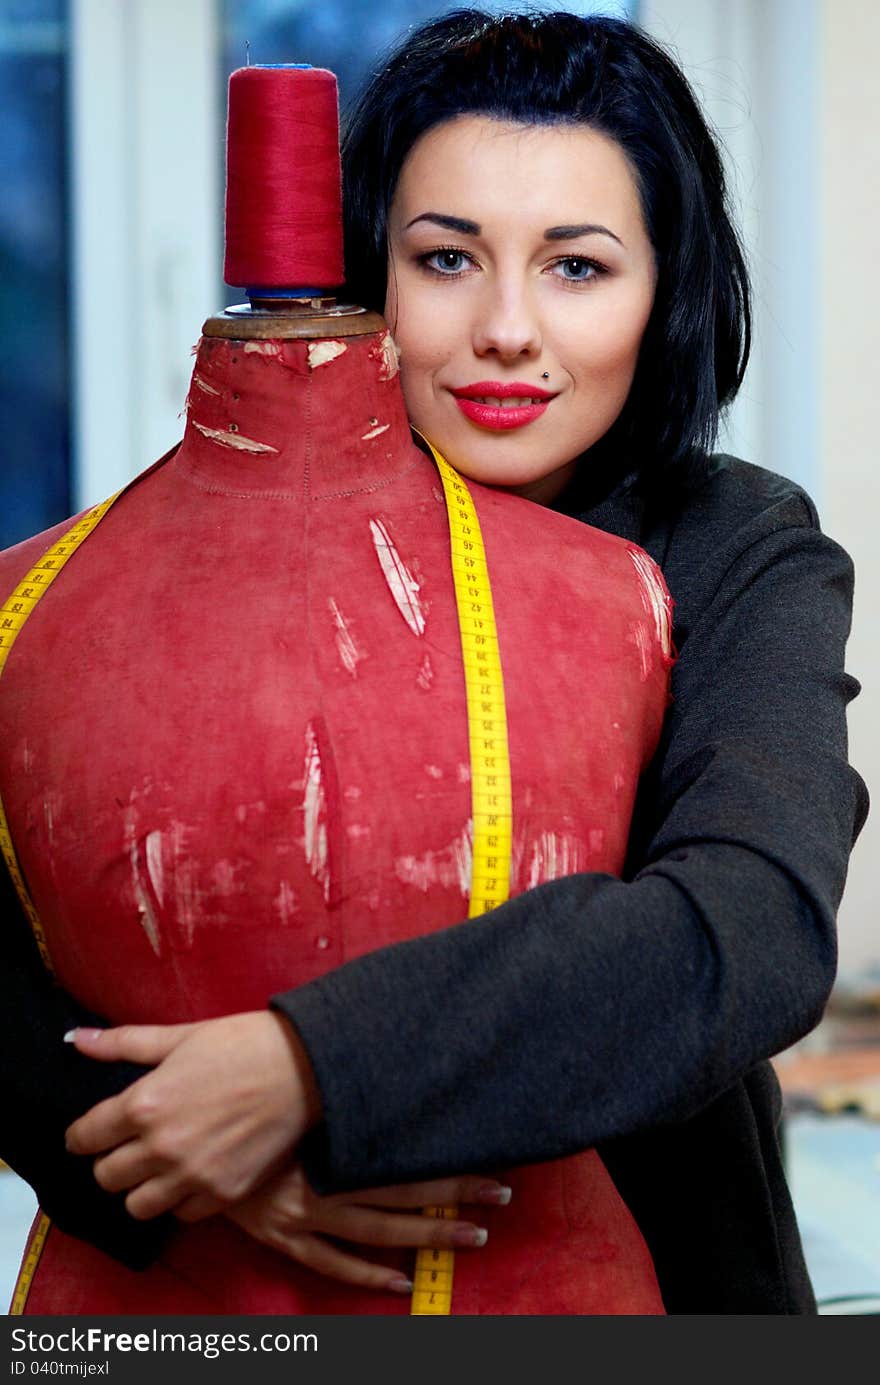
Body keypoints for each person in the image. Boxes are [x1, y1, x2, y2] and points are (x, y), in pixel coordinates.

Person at [2, 8, 868, 1314]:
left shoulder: (736, 547)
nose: (508, 329)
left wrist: (308, 1071)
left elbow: (749, 920)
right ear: (367, 276)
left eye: (577, 268)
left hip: (659, 1272)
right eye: (448, 257)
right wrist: (170, 1140)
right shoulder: (203, 550)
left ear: (668, 289)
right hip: (216, 1289)